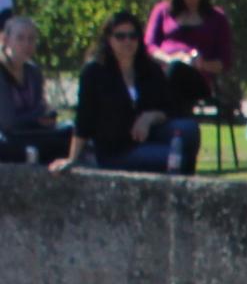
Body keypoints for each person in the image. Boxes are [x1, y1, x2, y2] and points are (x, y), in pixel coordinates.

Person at [62, 12, 199, 174]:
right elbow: (84, 118)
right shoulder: (94, 72)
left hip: (149, 135)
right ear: (108, 39)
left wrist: (149, 118)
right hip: (117, 149)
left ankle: (184, 184)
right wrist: (72, 158)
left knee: (189, 129)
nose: (127, 41)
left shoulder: (149, 69)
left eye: (133, 36)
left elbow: (169, 108)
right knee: (175, 158)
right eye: (120, 36)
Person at [144, 0, 236, 112]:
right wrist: (171, 59)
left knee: (177, 71)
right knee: (172, 70)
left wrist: (201, 64)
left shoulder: (217, 17)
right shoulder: (162, 11)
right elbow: (149, 46)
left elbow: (224, 61)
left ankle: (162, 115)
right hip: (163, 71)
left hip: (198, 78)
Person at [0, 14, 64, 166]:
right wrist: (36, 118)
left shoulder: (33, 72)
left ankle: (35, 153)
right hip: (7, 136)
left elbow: (41, 108)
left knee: (69, 131)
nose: (27, 44)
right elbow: (8, 122)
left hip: (29, 134)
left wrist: (45, 118)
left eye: (31, 39)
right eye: (20, 38)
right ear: (6, 40)